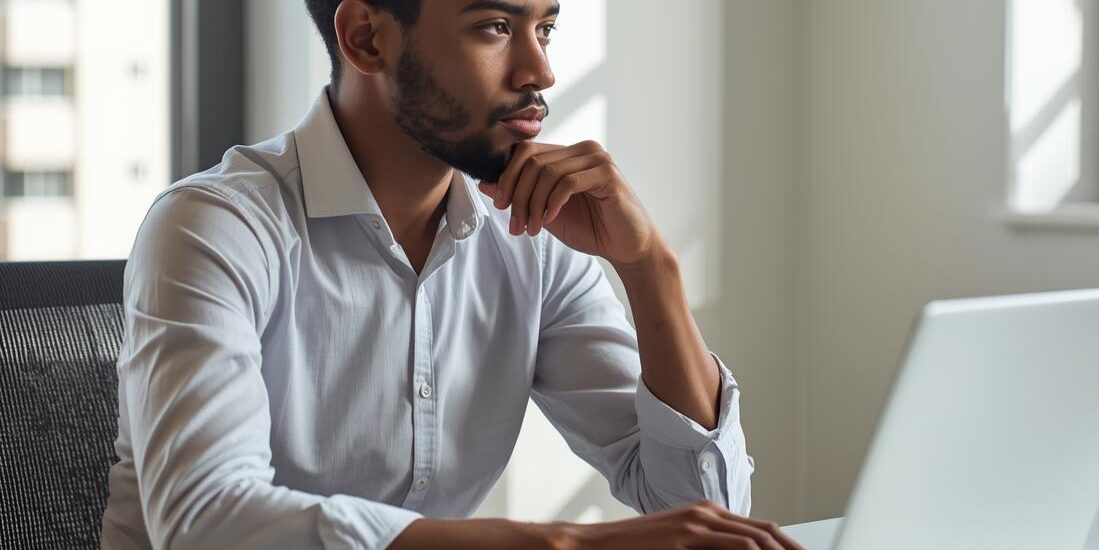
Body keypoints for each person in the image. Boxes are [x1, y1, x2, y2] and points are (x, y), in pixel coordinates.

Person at [100, 0, 800, 548]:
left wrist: (649, 266)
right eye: (496, 26)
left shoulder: (532, 237)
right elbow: (205, 524)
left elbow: (704, 512)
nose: (540, 73)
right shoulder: (213, 226)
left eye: (546, 29)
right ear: (367, 39)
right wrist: (565, 545)